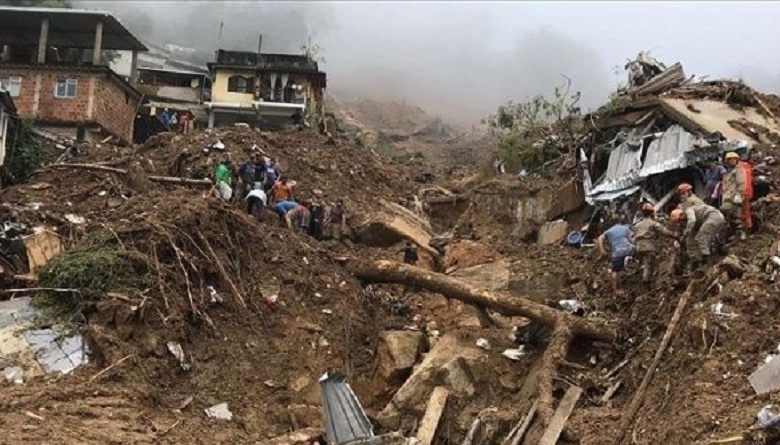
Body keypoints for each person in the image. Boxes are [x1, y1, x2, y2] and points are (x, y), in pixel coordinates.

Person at [671, 202, 725, 269]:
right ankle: (698, 260)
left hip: (714, 217)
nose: (681, 222)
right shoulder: (691, 221)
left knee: (701, 237)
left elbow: (692, 221)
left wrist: (685, 234)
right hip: (714, 219)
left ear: (681, 215)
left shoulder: (689, 211)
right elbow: (690, 238)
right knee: (694, 240)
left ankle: (707, 259)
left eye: (680, 220)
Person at [633, 203, 676, 284]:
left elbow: (633, 236)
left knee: (645, 263)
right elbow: (664, 232)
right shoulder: (653, 223)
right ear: (652, 213)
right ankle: (646, 282)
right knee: (649, 265)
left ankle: (645, 279)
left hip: (638, 247)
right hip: (648, 246)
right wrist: (675, 236)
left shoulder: (637, 225)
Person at [597, 222, 635, 294]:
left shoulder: (609, 231)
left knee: (614, 271)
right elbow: (632, 239)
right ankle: (641, 264)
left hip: (617, 252)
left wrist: (602, 250)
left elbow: (600, 238)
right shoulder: (625, 228)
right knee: (638, 252)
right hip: (629, 249)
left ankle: (615, 290)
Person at [721, 152, 748, 240]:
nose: (732, 161)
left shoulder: (738, 170)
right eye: (730, 159)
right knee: (731, 216)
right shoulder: (728, 172)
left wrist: (739, 194)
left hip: (734, 196)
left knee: (737, 216)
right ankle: (735, 234)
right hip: (728, 197)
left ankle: (741, 233)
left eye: (734, 159)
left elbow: (741, 183)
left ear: (737, 160)